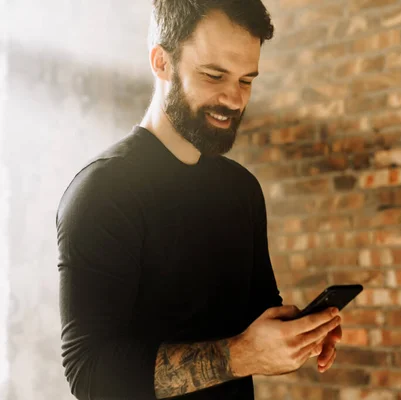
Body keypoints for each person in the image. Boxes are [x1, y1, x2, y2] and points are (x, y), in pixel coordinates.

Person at [55, 1, 343, 399]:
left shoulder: (242, 189)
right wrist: (240, 356)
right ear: (161, 62)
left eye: (246, 80)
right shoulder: (103, 191)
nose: (234, 99)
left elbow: (254, 322)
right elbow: (89, 374)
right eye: (214, 75)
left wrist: (299, 335)